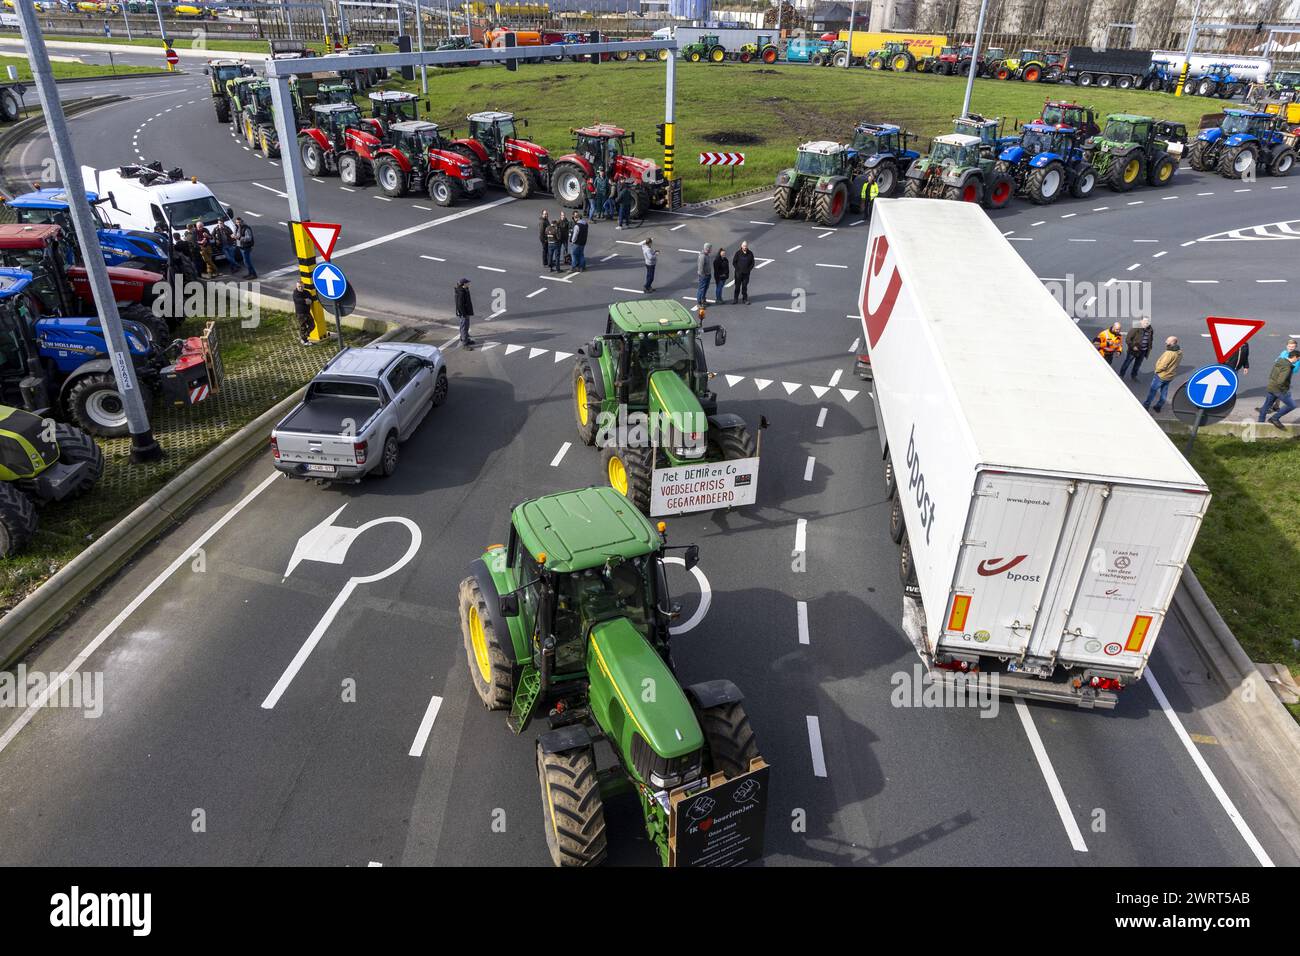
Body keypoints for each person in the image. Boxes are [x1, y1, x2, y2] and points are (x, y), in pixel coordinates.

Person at [1258, 349, 1300, 429]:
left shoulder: (1280, 361)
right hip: (1278, 389)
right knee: (1292, 405)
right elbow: (1281, 382)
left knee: (1266, 406)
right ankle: (1274, 418)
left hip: (1271, 386)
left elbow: (1272, 374)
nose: (1298, 361)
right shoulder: (1287, 367)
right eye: (1298, 359)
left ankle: (1260, 424)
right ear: (1294, 357)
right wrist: (1285, 391)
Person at [1143, 336, 1182, 412]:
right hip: (1170, 376)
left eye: (1167, 341)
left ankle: (1146, 405)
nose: (1165, 342)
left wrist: (1157, 371)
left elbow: (1163, 365)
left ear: (1172, 342)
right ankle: (1159, 406)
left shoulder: (1169, 353)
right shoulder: (1179, 352)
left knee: (1153, 391)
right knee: (1164, 392)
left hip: (1161, 375)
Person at [454, 277, 475, 349]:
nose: (469, 283)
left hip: (466, 312)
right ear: (464, 284)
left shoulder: (464, 290)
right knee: (464, 327)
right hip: (464, 313)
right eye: (467, 283)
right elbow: (460, 305)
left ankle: (464, 338)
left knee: (465, 326)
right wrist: (464, 314)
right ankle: (465, 344)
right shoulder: (461, 292)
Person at [695, 242, 713, 308]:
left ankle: (703, 300)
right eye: (710, 248)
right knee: (701, 289)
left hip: (707, 274)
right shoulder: (702, 256)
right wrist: (703, 275)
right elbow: (700, 268)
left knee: (705, 288)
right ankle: (699, 303)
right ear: (707, 248)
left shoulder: (706, 255)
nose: (711, 249)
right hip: (704, 276)